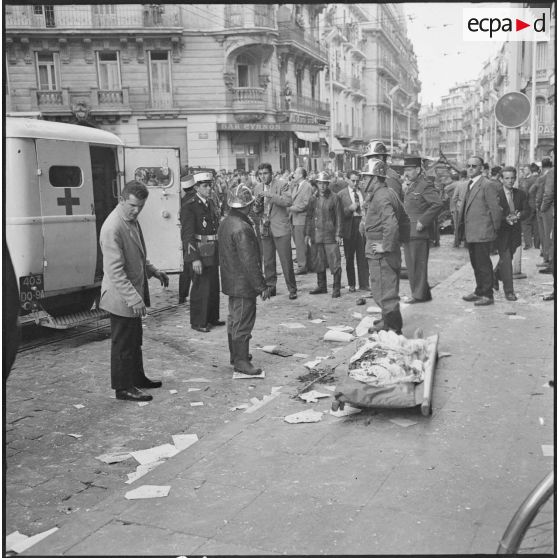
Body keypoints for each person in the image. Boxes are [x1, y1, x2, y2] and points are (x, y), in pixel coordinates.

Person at [99, 180, 169, 402]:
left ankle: (137, 377)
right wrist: (133, 299)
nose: (136, 210)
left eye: (141, 206)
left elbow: (137, 255)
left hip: (132, 293)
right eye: (132, 205)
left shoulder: (130, 220)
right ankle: (123, 387)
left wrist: (154, 271)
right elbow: (115, 272)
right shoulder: (113, 227)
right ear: (122, 200)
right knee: (123, 343)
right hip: (121, 297)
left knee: (134, 339)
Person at [219, 184, 273, 375]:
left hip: (231, 280)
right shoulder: (242, 227)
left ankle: (236, 355)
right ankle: (241, 361)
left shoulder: (226, 222)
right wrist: (261, 286)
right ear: (246, 205)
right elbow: (250, 261)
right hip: (243, 283)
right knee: (243, 321)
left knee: (234, 318)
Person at [361, 159, 410, 334]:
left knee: (383, 291)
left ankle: (394, 329)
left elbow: (392, 224)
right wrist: (398, 243)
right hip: (389, 251)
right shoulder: (388, 192)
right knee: (387, 287)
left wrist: (386, 246)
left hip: (381, 253)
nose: (363, 181)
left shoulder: (381, 196)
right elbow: (404, 220)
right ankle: (386, 321)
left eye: (366, 178)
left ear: (375, 178)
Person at [457, 156, 503, 306]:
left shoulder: (487, 184)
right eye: (468, 165)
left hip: (483, 231)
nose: (470, 168)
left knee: (483, 264)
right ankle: (479, 291)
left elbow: (495, 209)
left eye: (474, 166)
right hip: (471, 232)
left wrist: (495, 230)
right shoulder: (468, 184)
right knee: (475, 263)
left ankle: (488, 295)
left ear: (481, 168)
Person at [181, 172, 223, 332]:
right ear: (196, 187)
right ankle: (198, 322)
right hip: (199, 250)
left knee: (212, 285)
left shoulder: (210, 202)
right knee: (200, 287)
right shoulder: (190, 206)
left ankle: (212, 317)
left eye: (209, 185)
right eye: (204, 186)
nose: (208, 188)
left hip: (211, 248)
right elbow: (187, 235)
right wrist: (194, 259)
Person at [401, 156, 443, 303]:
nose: (406, 173)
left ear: (418, 170)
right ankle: (424, 293)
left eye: (409, 170)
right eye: (405, 170)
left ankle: (418, 295)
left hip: (418, 231)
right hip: (409, 231)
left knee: (416, 265)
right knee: (413, 264)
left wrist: (423, 221)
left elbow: (437, 204)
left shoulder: (424, 185)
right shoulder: (411, 185)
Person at [253, 162, 297, 300]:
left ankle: (292, 289)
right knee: (268, 261)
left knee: (286, 260)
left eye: (265, 173)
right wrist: (258, 203)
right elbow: (256, 211)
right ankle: (271, 287)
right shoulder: (257, 187)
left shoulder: (282, 184)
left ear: (271, 173)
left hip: (280, 228)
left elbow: (288, 202)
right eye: (260, 174)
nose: (263, 177)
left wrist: (270, 195)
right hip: (265, 227)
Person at [493, 167, 530, 301]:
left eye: (512, 178)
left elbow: (528, 210)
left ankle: (494, 275)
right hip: (501, 232)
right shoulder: (496, 194)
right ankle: (509, 291)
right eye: (507, 178)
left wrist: (520, 215)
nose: (510, 181)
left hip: (515, 232)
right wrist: (505, 219)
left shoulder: (521, 194)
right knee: (507, 260)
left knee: (507, 258)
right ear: (501, 179)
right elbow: (492, 214)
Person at [305, 171, 343, 297]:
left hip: (330, 235)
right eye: (320, 183)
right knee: (318, 260)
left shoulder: (335, 197)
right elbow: (309, 217)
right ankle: (322, 286)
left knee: (335, 261)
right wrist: (307, 234)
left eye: (324, 183)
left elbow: (339, 217)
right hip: (317, 234)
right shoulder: (313, 198)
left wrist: (338, 234)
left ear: (328, 184)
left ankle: (336, 287)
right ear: (317, 184)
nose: (322, 186)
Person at [338, 170, 369, 292]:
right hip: (349, 227)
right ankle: (351, 284)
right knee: (349, 257)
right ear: (347, 180)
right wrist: (349, 209)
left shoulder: (363, 192)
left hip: (362, 225)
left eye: (357, 180)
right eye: (353, 180)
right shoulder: (341, 195)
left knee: (363, 257)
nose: (355, 183)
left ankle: (364, 284)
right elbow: (338, 214)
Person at [287, 167, 313, 275]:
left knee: (301, 244)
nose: (294, 175)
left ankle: (302, 266)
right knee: (300, 244)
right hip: (295, 218)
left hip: (301, 219)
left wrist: (290, 208)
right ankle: (309, 264)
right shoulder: (297, 186)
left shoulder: (306, 186)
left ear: (301, 175)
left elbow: (305, 204)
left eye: (296, 173)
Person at [178, 174, 196, 304]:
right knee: (195, 268)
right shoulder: (194, 201)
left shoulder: (182, 200)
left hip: (184, 237)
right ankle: (198, 293)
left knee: (185, 269)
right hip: (194, 238)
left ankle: (182, 295)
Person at [536, 157, 555, 272]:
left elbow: (547, 194)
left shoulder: (549, 174)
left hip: (549, 209)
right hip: (550, 207)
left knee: (548, 235)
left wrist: (541, 208)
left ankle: (549, 261)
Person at [520, 164, 539, 249]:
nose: (524, 170)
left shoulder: (527, 180)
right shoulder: (536, 178)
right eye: (524, 169)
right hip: (536, 204)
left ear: (530, 170)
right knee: (536, 224)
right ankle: (537, 244)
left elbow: (525, 193)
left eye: (526, 169)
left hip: (528, 204)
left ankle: (528, 244)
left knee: (525, 223)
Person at [449, 170, 469, 248]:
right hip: (470, 208)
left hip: (459, 207)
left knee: (457, 225)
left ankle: (456, 243)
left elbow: (454, 197)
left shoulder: (459, 185)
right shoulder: (471, 183)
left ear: (460, 176)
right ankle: (467, 243)